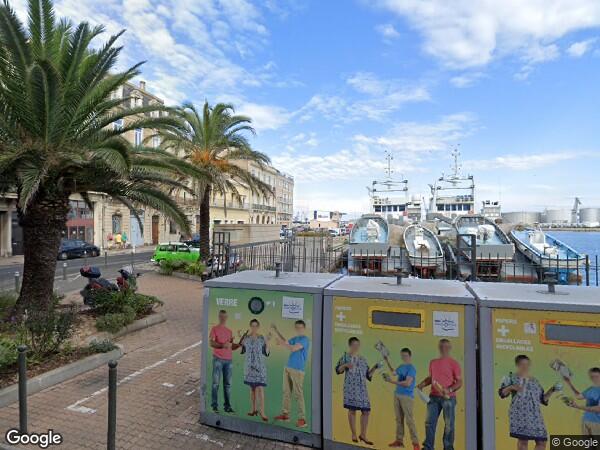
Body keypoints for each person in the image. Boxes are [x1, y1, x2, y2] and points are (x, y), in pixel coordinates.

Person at [498, 355, 558, 450]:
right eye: (522, 364)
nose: (525, 366)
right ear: (517, 365)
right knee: (523, 441)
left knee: (542, 441)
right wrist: (512, 387)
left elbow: (542, 399)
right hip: (520, 413)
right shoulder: (511, 377)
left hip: (535, 414)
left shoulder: (535, 381)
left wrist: (552, 390)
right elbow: (502, 393)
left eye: (527, 364)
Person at [417, 339, 462, 450]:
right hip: (433, 397)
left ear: (450, 348)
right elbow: (431, 378)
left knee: (449, 425)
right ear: (439, 347)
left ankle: (448, 447)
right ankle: (428, 447)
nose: (443, 348)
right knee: (429, 423)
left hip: (448, 398)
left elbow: (459, 382)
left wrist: (449, 389)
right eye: (441, 346)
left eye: (446, 346)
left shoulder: (454, 363)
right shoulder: (433, 362)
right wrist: (422, 384)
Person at [335, 337, 378, 445]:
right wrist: (345, 365)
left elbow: (368, 375)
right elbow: (338, 370)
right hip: (351, 388)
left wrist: (375, 368)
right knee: (352, 410)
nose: (356, 347)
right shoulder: (345, 357)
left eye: (358, 345)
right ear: (350, 345)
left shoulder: (362, 359)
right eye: (354, 345)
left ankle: (363, 435)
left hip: (362, 389)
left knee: (366, 411)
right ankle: (354, 434)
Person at [272, 320, 310, 428]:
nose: (298, 329)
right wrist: (276, 331)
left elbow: (293, 348)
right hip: (288, 367)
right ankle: (285, 415)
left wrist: (281, 343)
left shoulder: (305, 339)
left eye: (300, 327)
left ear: (304, 328)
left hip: (298, 370)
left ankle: (302, 419)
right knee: (286, 392)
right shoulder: (295, 338)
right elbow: (286, 342)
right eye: (297, 327)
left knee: (298, 394)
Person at [385, 348, 420, 450]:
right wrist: (387, 360)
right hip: (397, 395)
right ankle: (399, 441)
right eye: (402, 356)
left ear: (410, 356)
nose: (403, 357)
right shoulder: (401, 366)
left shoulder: (411, 369)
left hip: (407, 397)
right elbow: (393, 372)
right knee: (399, 419)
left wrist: (391, 382)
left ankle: (416, 444)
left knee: (409, 420)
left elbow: (407, 383)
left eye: (405, 356)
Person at [209, 310, 240, 413]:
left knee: (228, 384)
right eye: (221, 316)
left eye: (225, 316)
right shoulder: (214, 329)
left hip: (228, 360)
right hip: (218, 358)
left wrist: (239, 344)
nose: (223, 318)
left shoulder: (229, 331)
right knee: (215, 383)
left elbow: (231, 347)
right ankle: (214, 405)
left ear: (227, 318)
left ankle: (227, 406)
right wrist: (222, 345)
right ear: (219, 317)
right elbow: (211, 343)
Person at [240, 319, 270, 421]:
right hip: (249, 367)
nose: (254, 327)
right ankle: (253, 409)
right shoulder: (246, 338)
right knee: (252, 389)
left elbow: (267, 352)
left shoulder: (261, 338)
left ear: (258, 327)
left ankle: (262, 411)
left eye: (256, 326)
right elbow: (242, 349)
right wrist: (241, 337)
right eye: (252, 325)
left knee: (260, 388)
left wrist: (267, 341)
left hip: (259, 367)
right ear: (250, 326)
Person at [563, 367, 600, 436]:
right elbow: (579, 396)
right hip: (586, 421)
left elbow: (598, 409)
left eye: (596, 376)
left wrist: (577, 406)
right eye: (592, 377)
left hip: (597, 423)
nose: (594, 379)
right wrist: (569, 383)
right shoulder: (591, 388)